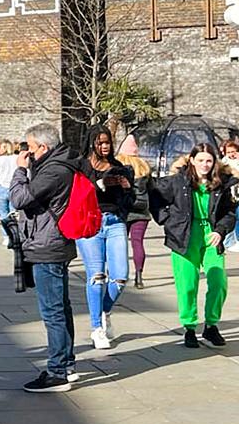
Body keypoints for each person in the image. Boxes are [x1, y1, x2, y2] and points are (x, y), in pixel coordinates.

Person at [9, 122, 78, 392]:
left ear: (44, 147)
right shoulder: (59, 165)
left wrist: (19, 169)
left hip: (48, 244)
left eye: (31, 148)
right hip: (53, 241)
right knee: (61, 307)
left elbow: (20, 198)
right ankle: (66, 363)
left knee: (53, 311)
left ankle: (58, 371)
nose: (28, 153)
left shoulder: (54, 170)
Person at [149, 144, 235, 348]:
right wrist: (166, 220)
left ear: (214, 162)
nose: (204, 165)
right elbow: (154, 196)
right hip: (184, 236)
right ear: (192, 161)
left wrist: (220, 230)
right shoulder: (178, 181)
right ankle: (189, 327)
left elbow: (230, 212)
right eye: (200, 160)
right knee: (187, 284)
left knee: (218, 281)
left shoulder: (222, 183)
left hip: (211, 235)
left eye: (209, 161)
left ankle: (211, 325)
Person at [77, 126, 134, 349]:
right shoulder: (82, 166)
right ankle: (96, 328)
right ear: (91, 143)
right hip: (90, 221)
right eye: (99, 142)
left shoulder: (118, 167)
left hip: (114, 222)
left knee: (120, 277)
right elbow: (77, 194)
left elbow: (130, 200)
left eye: (107, 142)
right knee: (97, 276)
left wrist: (127, 188)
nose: (104, 146)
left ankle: (105, 310)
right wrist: (101, 184)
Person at [117, 134, 152, 290]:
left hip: (124, 210)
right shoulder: (144, 167)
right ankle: (139, 276)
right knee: (138, 243)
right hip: (142, 212)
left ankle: (118, 273)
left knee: (119, 244)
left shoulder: (119, 166)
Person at [0, 140, 19, 246]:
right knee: (13, 213)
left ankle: (6, 236)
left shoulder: (0, 159)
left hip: (3, 186)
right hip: (14, 186)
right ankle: (15, 235)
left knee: (3, 213)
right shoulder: (15, 158)